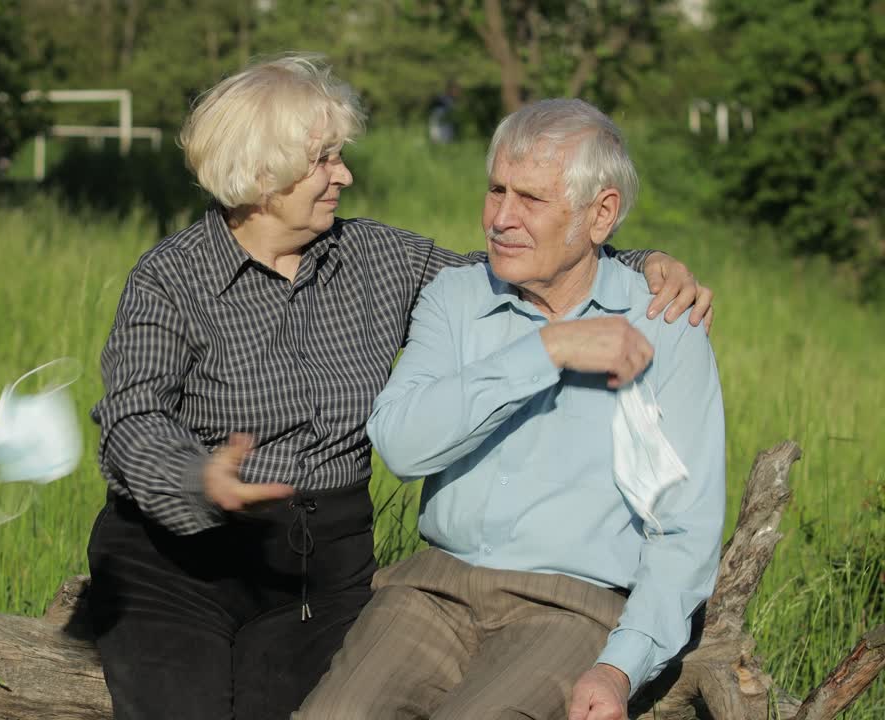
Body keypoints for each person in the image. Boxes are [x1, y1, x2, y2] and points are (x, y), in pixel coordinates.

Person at [86, 56, 713, 720]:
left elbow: (519, 264)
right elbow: (131, 418)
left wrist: (644, 263)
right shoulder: (171, 278)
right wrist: (197, 479)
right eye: (324, 158)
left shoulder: (376, 257)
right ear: (262, 173)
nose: (345, 174)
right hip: (178, 557)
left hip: (315, 568)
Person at [295, 98, 726, 720]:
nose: (500, 217)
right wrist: (546, 350)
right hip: (431, 589)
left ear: (601, 214)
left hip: (572, 607)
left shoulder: (666, 327)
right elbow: (402, 445)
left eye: (531, 199)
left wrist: (618, 666)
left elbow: (684, 528)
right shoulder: (457, 297)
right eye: (496, 190)